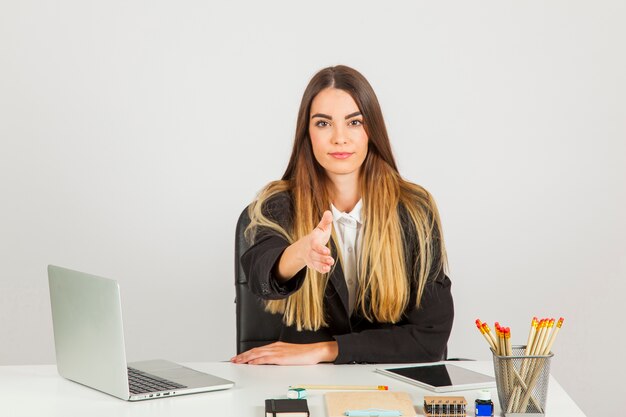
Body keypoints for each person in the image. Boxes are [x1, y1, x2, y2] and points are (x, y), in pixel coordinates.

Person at [230, 65, 453, 365]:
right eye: (323, 123)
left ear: (371, 129)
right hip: (304, 386)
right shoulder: (278, 203)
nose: (339, 138)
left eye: (354, 122)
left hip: (389, 384)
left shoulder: (414, 209)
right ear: (306, 132)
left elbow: (430, 335)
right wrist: (299, 254)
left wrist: (327, 350)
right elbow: (259, 273)